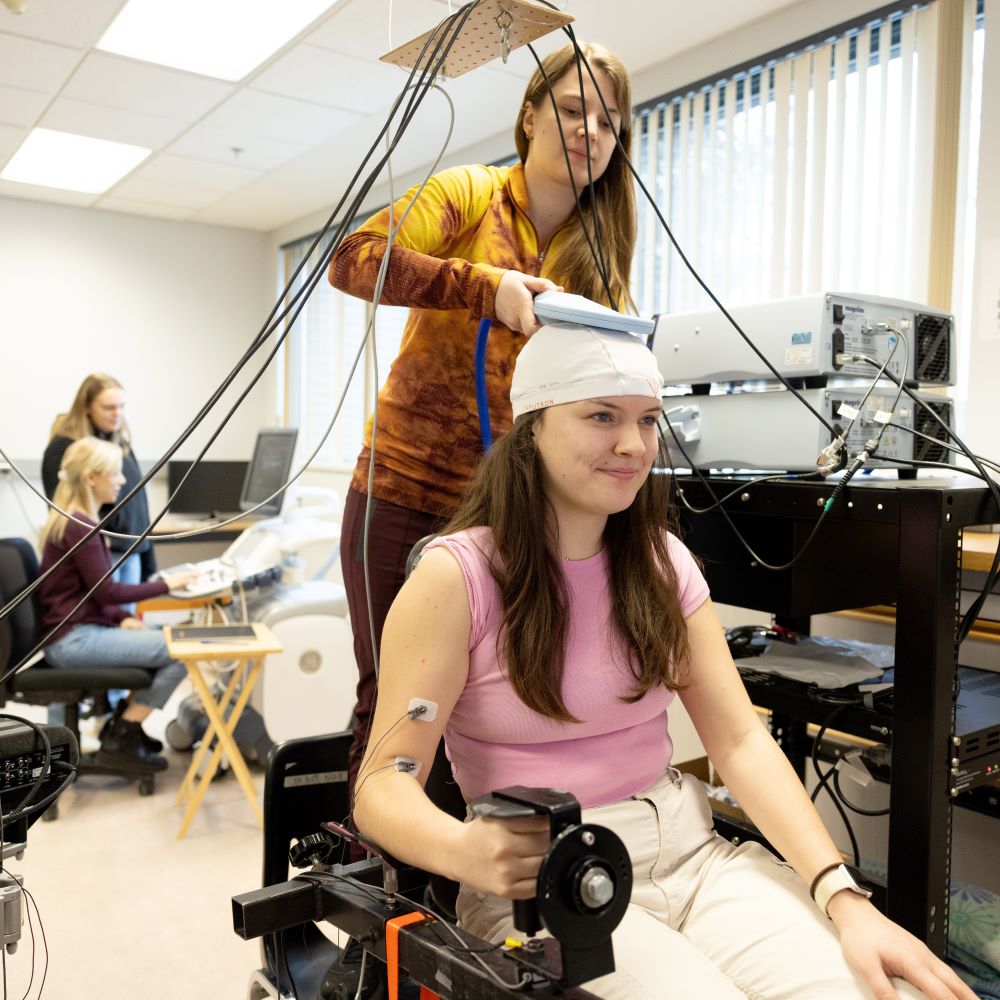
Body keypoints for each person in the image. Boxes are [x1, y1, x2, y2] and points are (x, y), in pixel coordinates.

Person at [352, 323, 976, 1000]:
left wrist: (844, 899)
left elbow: (738, 741)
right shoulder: (456, 577)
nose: (633, 445)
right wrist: (466, 853)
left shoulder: (661, 562)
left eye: (648, 420)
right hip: (551, 886)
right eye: (601, 417)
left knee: (881, 991)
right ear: (531, 428)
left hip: (692, 854)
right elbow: (382, 783)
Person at [328, 40, 636, 797]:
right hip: (402, 489)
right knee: (398, 703)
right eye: (571, 110)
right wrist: (482, 285)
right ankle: (384, 882)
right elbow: (353, 258)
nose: (589, 130)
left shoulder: (599, 254)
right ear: (529, 118)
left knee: (489, 704)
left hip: (507, 509)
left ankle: (463, 886)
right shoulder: (470, 195)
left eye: (607, 121)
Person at [38, 437, 198, 771]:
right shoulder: (80, 525)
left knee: (170, 636)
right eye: (115, 473)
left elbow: (91, 594)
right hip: (73, 640)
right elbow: (108, 592)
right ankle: (122, 735)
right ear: (91, 478)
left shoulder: (69, 519)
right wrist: (165, 585)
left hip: (74, 632)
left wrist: (122, 618)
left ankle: (123, 725)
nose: (123, 480)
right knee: (185, 650)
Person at [42, 374, 157, 590]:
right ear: (87, 407)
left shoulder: (119, 444)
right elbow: (64, 510)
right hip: (99, 557)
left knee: (124, 621)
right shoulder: (66, 449)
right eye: (109, 407)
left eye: (121, 407)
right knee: (110, 618)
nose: (118, 414)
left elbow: (139, 503)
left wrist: (148, 554)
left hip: (131, 553)